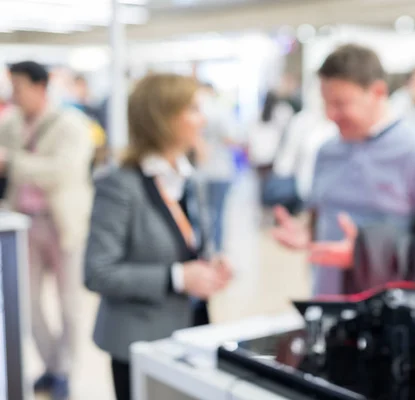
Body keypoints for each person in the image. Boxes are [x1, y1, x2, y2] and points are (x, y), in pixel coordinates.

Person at [272, 44, 415, 296]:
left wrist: (367, 254)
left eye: (341, 104)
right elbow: (322, 220)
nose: (331, 114)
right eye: (326, 103)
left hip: (388, 315)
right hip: (328, 305)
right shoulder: (327, 151)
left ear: (377, 92)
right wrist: (306, 235)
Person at [85, 74, 233, 400]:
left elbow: (187, 244)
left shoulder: (187, 178)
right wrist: (178, 277)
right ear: (164, 118)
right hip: (139, 341)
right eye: (193, 109)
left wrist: (211, 263)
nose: (202, 119)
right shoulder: (119, 185)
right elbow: (98, 272)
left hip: (189, 333)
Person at [0, 61, 94, 400]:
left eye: (19, 86)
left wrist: (13, 163)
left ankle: (65, 371)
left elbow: (63, 172)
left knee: (69, 303)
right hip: (23, 223)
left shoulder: (71, 124)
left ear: (41, 87)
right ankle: (53, 365)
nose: (13, 94)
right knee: (25, 302)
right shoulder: (9, 125)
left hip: (62, 223)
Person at [196, 82, 238, 252]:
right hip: (219, 170)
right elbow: (231, 138)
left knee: (203, 212)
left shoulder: (198, 110)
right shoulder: (220, 111)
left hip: (201, 171)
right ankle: (217, 251)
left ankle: (206, 249)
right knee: (217, 213)